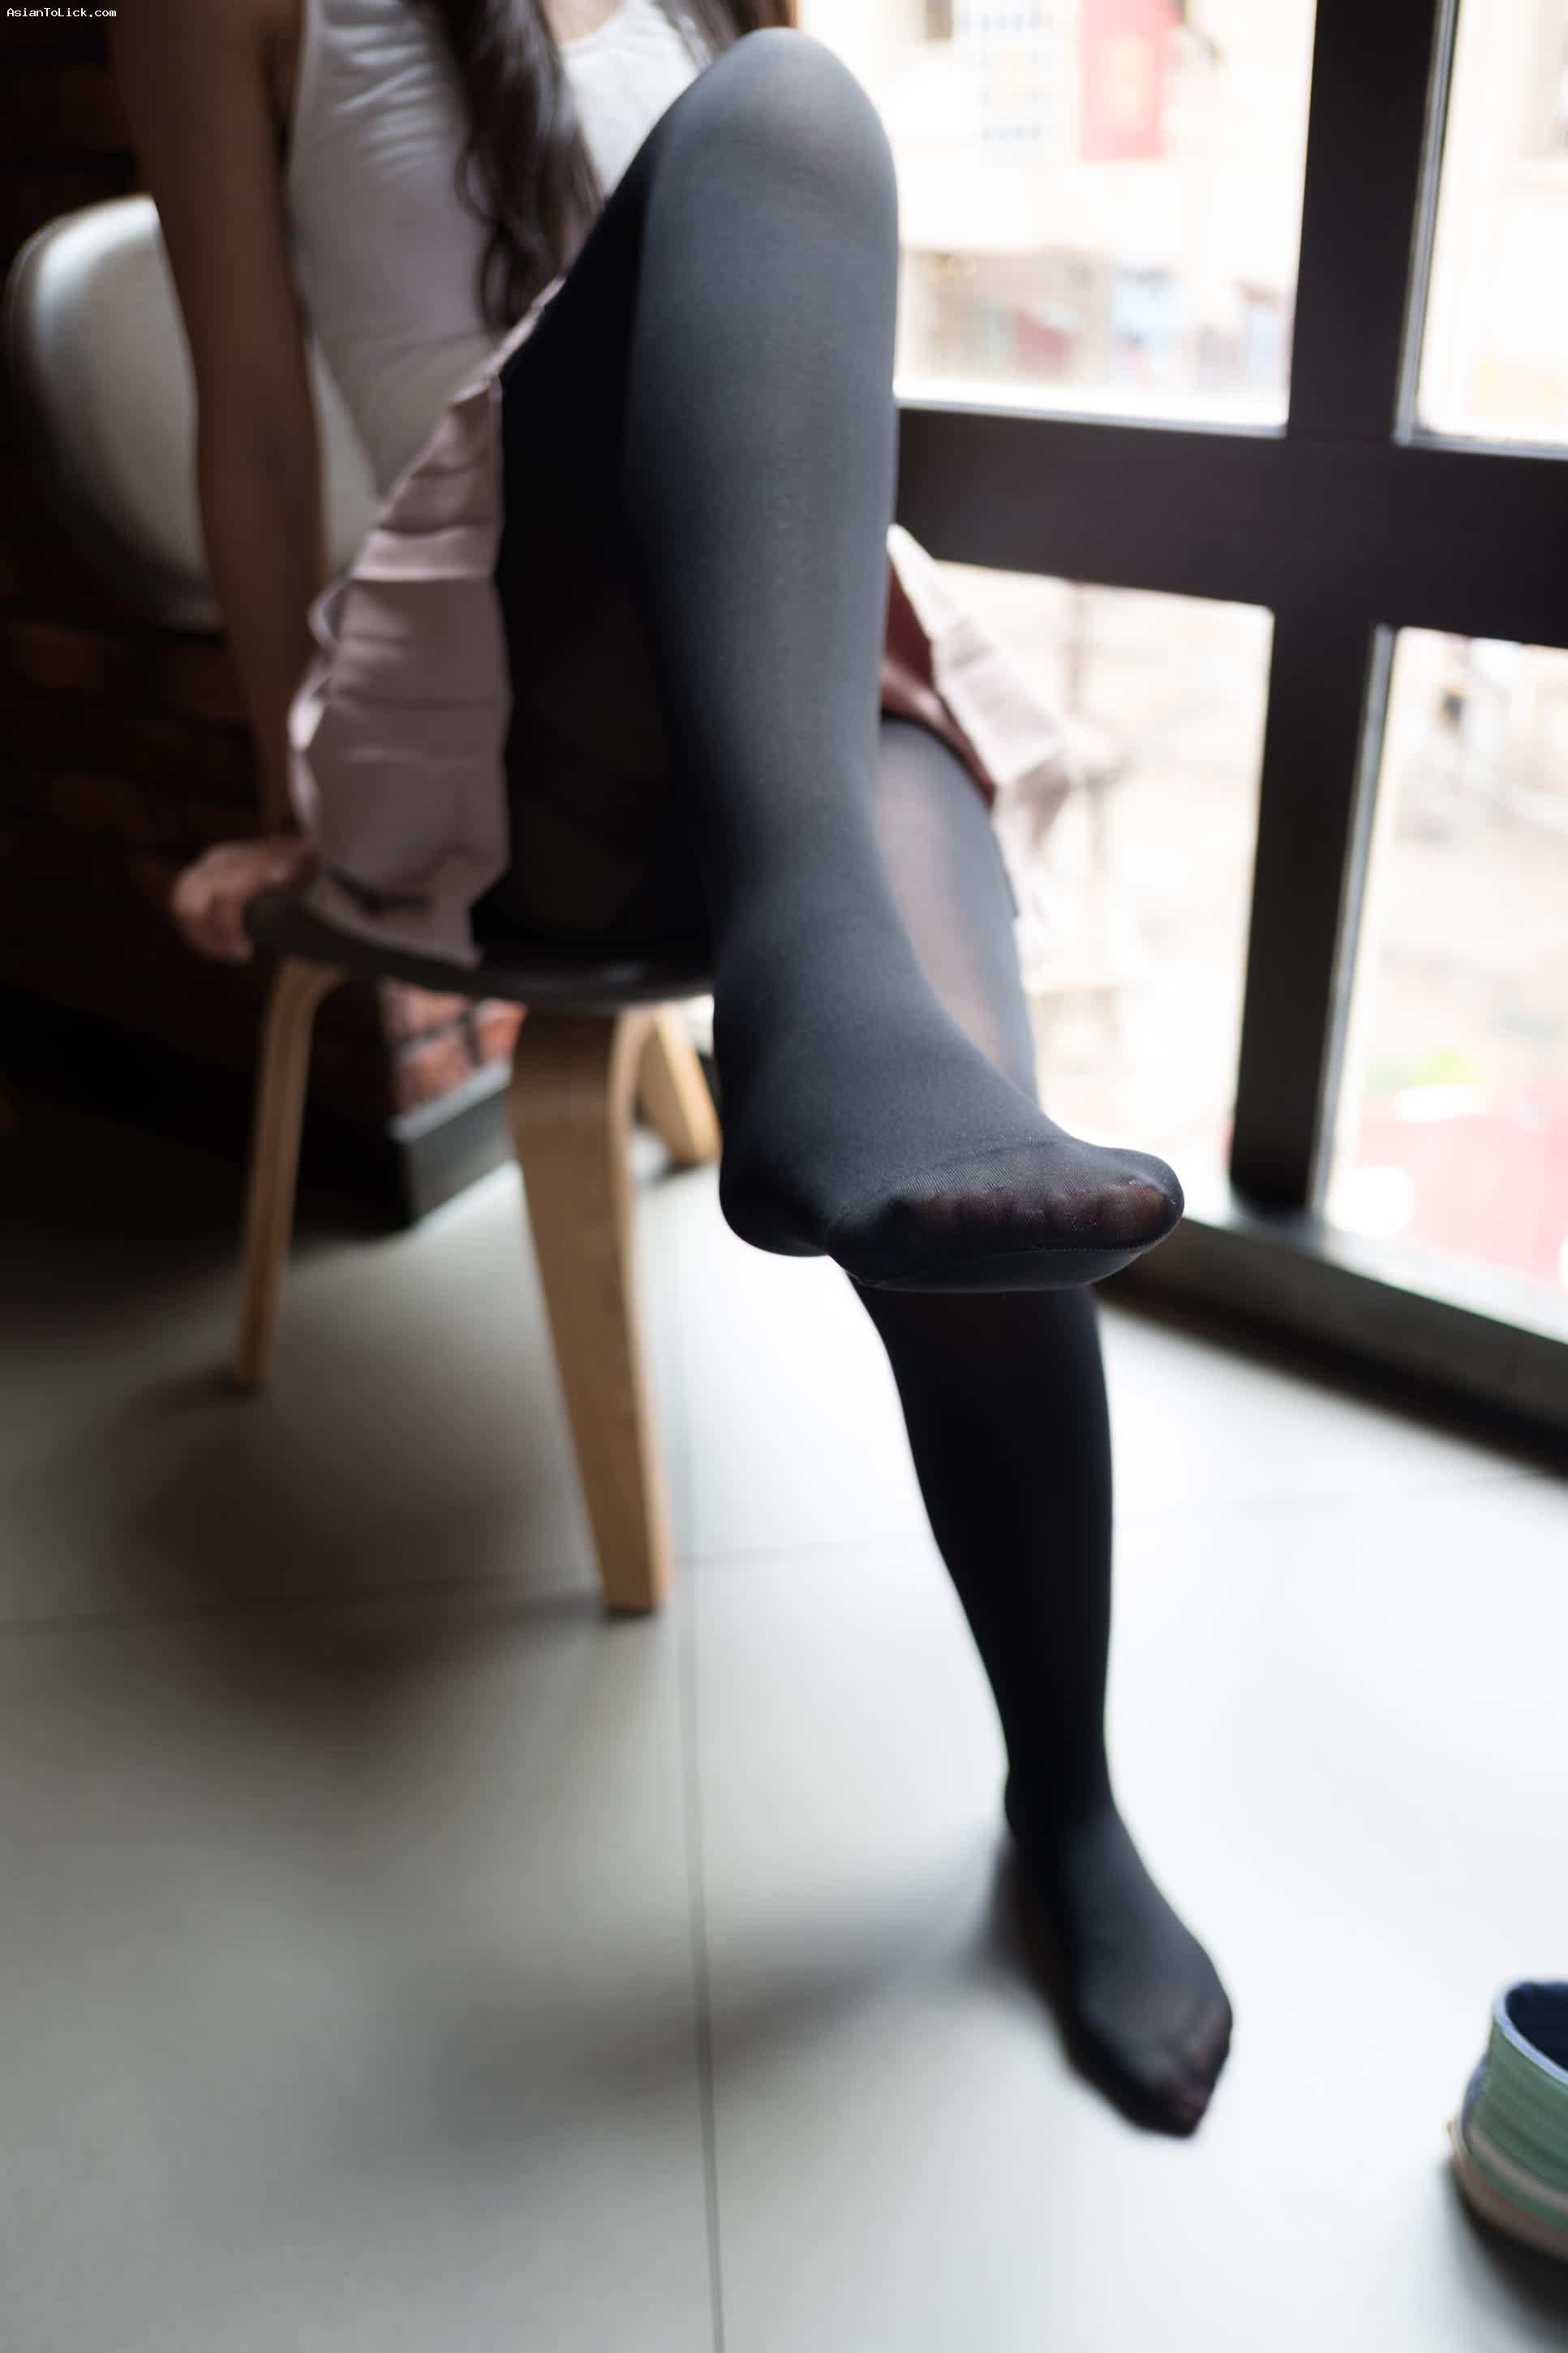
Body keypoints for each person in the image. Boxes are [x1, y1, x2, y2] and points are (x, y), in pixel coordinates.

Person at [109, 0, 1232, 2131]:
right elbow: (251, 423)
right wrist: (276, 795)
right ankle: (828, 989)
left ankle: (1066, 1797)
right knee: (785, 111)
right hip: (493, 700)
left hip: (772, 664)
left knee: (958, 1134)